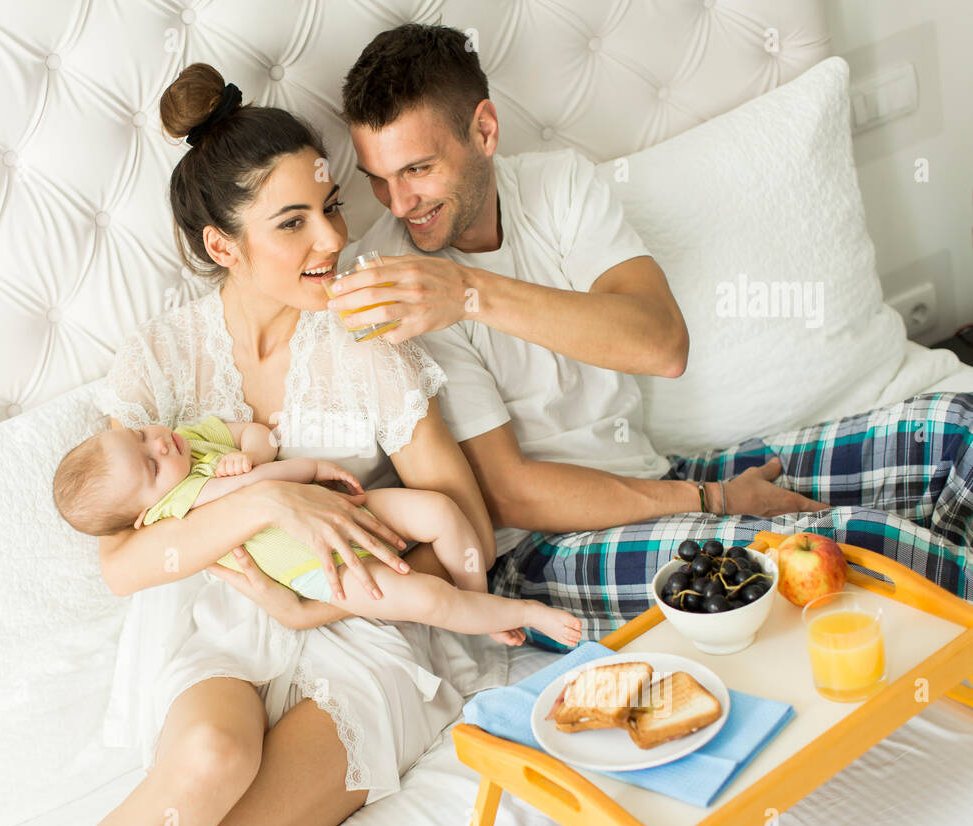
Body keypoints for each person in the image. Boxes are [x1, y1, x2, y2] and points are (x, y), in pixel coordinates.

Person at [332, 23, 973, 645]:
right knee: (862, 547)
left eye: (416, 169)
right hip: (544, 553)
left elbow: (662, 345)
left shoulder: (557, 185)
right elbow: (511, 491)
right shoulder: (395, 281)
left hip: (658, 480)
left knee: (958, 428)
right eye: (376, 179)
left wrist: (472, 296)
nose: (398, 203)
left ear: (485, 130)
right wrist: (714, 499)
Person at [67, 63, 511, 826]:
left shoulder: (363, 337)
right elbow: (124, 565)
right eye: (294, 222)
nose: (334, 239)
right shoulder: (161, 358)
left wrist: (330, 601)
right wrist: (269, 507)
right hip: (228, 625)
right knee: (209, 760)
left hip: (367, 630)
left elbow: (468, 529)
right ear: (220, 244)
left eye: (333, 207)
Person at [52, 412, 582, 646]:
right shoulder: (181, 504)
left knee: (441, 512)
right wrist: (291, 470)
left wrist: (247, 453)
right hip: (317, 567)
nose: (159, 444)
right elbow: (267, 486)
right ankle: (521, 612)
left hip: (341, 507)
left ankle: (479, 604)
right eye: (150, 464)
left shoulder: (193, 436)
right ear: (146, 513)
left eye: (143, 435)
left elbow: (255, 434)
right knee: (423, 596)